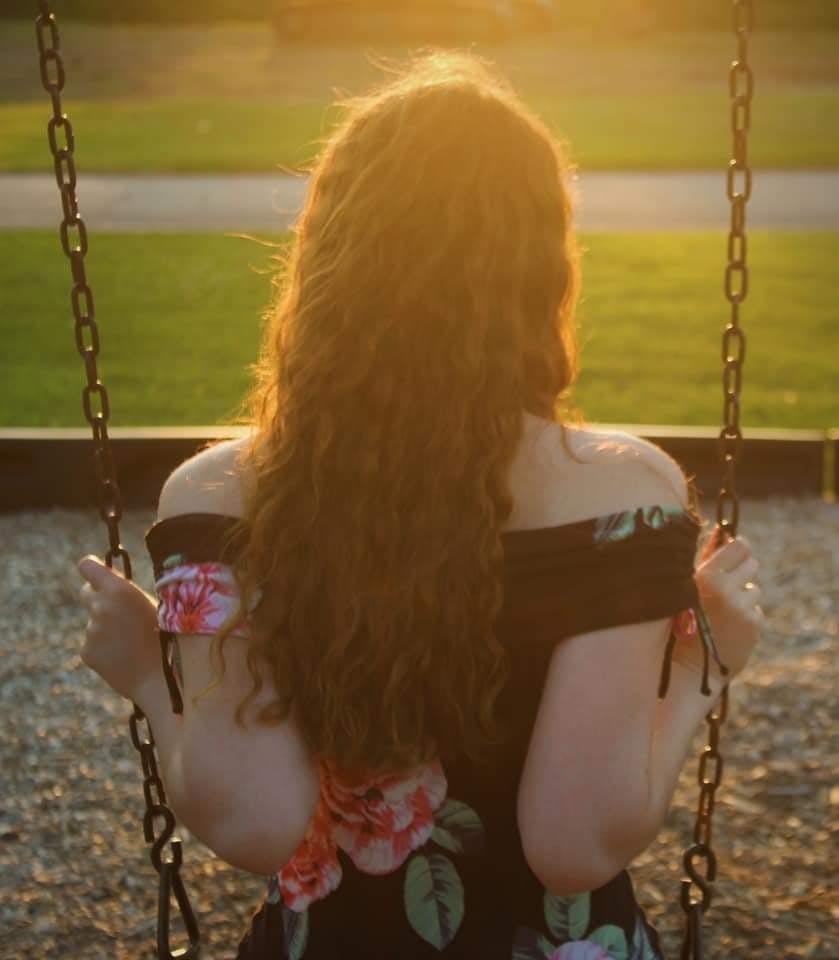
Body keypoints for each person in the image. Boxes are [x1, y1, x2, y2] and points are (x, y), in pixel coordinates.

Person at [77, 51, 763, 960]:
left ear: (326, 260)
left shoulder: (213, 496)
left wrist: (142, 675)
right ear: (540, 268)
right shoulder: (622, 494)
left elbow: (255, 825)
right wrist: (704, 672)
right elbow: (571, 847)